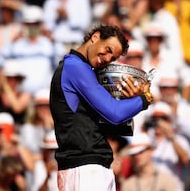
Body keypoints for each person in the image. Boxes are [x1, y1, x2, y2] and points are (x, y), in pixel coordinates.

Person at [49, 24, 153, 191]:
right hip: (84, 168)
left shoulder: (84, 70)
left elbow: (115, 123)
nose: (107, 58)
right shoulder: (75, 67)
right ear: (95, 37)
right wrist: (145, 99)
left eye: (113, 58)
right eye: (108, 49)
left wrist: (130, 100)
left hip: (94, 166)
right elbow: (115, 113)